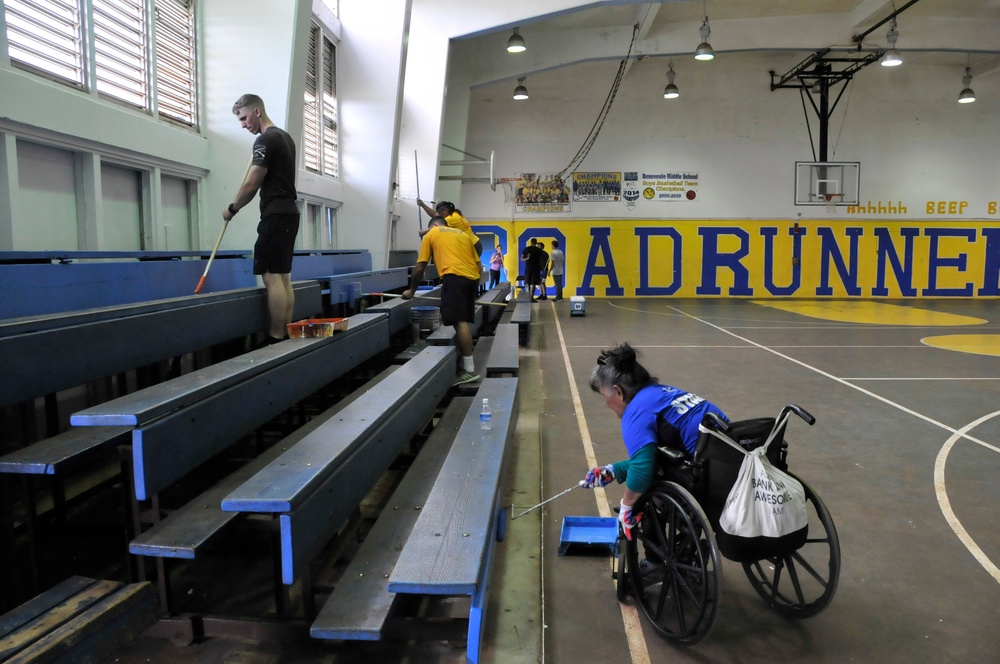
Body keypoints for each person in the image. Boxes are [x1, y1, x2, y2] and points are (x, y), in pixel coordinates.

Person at [580, 342, 728, 540]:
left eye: (604, 395)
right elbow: (658, 456)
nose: (606, 403)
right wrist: (615, 470)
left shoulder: (635, 412)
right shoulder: (663, 393)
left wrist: (626, 508)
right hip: (728, 468)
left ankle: (655, 556)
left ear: (618, 391)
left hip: (705, 480)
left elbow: (644, 469)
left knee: (643, 494)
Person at [223, 94, 299, 346]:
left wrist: (232, 209)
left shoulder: (265, 139)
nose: (243, 125)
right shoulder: (286, 138)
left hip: (275, 213)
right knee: (283, 276)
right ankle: (285, 334)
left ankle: (275, 337)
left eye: (244, 118)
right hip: (290, 212)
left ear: (257, 112)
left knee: (271, 276)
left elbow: (252, 182)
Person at [402, 216, 481, 386]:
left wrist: (411, 291)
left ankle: (469, 371)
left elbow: (419, 268)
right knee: (462, 321)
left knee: (459, 322)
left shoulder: (432, 233)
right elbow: (479, 265)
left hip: (454, 277)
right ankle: (464, 365)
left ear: (434, 225)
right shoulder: (462, 234)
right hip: (472, 279)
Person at [417, 199, 483, 257]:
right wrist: (423, 205)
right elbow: (435, 215)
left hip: (471, 247)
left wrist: (423, 232)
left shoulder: (451, 219)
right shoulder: (455, 214)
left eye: (440, 213)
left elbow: (435, 229)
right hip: (474, 244)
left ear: (444, 210)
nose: (439, 215)